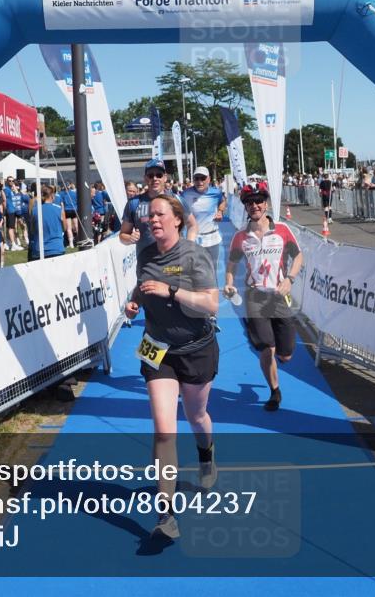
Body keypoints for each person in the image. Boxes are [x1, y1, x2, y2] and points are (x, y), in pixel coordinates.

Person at [123, 195, 220, 541]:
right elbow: (143, 284)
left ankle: (206, 454)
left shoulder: (194, 255)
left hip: (196, 349)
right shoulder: (146, 254)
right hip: (157, 349)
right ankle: (166, 514)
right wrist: (135, 301)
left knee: (196, 416)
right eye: (150, 215)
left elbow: (211, 304)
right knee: (164, 430)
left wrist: (172, 290)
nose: (152, 220)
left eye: (159, 214)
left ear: (177, 219)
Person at [224, 181, 303, 412]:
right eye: (250, 202)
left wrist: (289, 279)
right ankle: (274, 391)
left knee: (286, 355)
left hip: (278, 297)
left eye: (259, 201)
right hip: (254, 297)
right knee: (267, 349)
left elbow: (298, 257)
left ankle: (273, 353)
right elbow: (231, 265)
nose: (255, 205)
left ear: (266, 203)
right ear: (245, 207)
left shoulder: (282, 230)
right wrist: (229, 284)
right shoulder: (240, 237)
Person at [120, 159, 197, 255]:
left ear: (165, 178)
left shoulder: (177, 200)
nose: (155, 178)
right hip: (146, 261)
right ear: (145, 178)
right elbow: (123, 235)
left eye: (159, 175)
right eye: (150, 175)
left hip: (174, 259)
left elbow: (192, 225)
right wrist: (130, 238)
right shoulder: (134, 203)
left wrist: (189, 248)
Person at [179, 166, 227, 275]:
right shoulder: (185, 194)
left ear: (208, 179)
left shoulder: (216, 193)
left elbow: (223, 201)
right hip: (194, 238)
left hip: (212, 238)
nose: (199, 181)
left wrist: (220, 211)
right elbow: (176, 210)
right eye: (197, 178)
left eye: (203, 178)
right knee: (195, 271)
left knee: (212, 271)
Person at [27, 186, 67, 261]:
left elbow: (32, 230)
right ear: (52, 196)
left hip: (39, 249)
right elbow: (64, 228)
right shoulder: (59, 209)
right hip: (56, 248)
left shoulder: (35, 210)